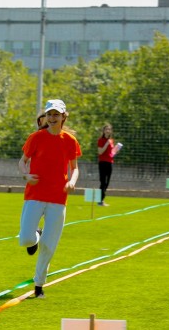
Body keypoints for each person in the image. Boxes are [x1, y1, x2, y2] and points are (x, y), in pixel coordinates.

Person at [18, 99, 81, 298]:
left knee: (49, 245)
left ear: (63, 116)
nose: (52, 118)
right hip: (35, 194)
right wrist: (26, 175)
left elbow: (75, 168)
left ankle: (38, 286)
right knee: (26, 239)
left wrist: (72, 182)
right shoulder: (36, 138)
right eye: (50, 114)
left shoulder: (70, 141)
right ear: (45, 117)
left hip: (58, 198)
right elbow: (23, 161)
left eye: (56, 114)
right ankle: (36, 235)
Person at [96, 124, 122, 206]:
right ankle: (100, 201)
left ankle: (101, 200)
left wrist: (116, 150)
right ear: (103, 131)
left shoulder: (111, 140)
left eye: (109, 129)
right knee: (103, 182)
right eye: (106, 129)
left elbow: (111, 153)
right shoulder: (101, 140)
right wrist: (106, 144)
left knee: (107, 183)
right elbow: (100, 152)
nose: (108, 131)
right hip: (102, 162)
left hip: (110, 162)